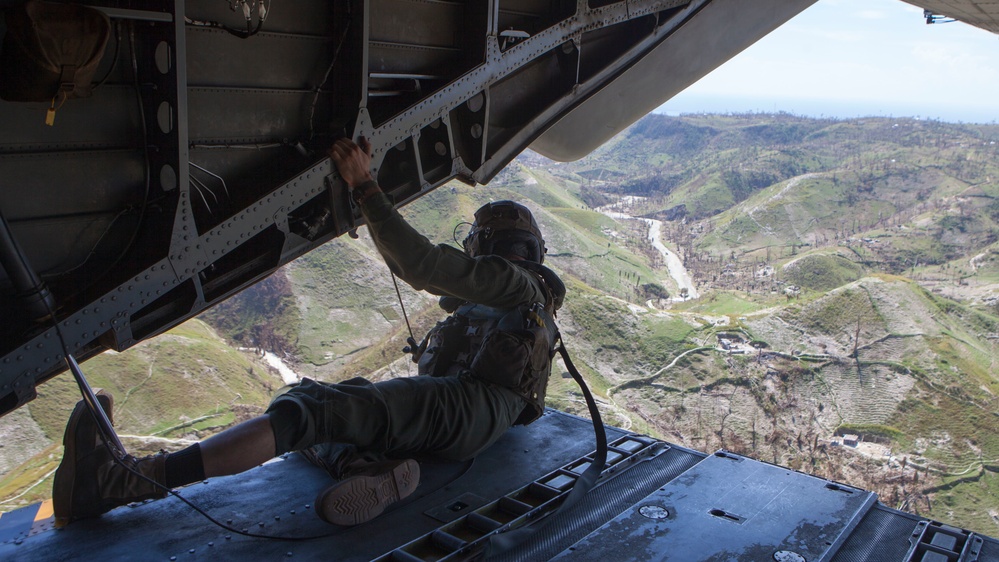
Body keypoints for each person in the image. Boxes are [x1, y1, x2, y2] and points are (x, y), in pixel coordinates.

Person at [52, 137, 565, 527]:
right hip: (468, 419)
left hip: (463, 410)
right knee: (307, 399)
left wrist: (365, 186)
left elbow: (422, 263)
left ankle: (127, 480)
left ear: (489, 245)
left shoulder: (512, 283)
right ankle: (364, 470)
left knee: (307, 412)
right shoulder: (518, 301)